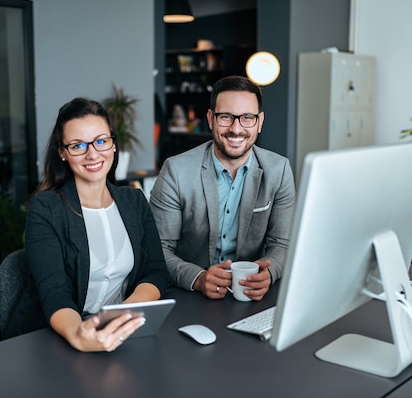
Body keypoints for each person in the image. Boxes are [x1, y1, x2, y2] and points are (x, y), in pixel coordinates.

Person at [20, 97, 168, 352]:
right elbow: (55, 292)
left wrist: (124, 313)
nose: (93, 154)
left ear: (113, 145)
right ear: (62, 153)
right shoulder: (46, 209)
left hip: (119, 332)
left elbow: (155, 271)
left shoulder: (134, 201)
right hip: (56, 336)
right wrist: (80, 335)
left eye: (101, 141)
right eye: (78, 145)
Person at [149, 75, 296, 301]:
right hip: (189, 297)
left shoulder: (279, 170)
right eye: (226, 117)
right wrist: (197, 278)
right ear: (210, 119)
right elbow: (156, 249)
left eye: (247, 117)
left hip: (250, 296)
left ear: (260, 121)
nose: (236, 129)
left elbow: (283, 243)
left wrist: (270, 271)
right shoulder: (176, 171)